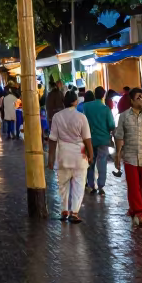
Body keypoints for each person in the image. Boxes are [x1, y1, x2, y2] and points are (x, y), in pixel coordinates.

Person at [114, 87, 142, 227]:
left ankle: (136, 210)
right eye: (139, 97)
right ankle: (139, 212)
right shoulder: (124, 116)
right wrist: (117, 156)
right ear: (132, 100)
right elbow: (119, 137)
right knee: (133, 187)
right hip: (130, 157)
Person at [48, 90, 93, 223]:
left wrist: (50, 159)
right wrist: (91, 154)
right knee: (79, 185)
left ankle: (64, 210)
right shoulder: (81, 117)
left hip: (62, 155)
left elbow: (52, 139)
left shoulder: (57, 116)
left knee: (62, 185)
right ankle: (74, 212)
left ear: (63, 102)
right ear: (75, 102)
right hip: (79, 156)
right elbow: (87, 138)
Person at [82, 87, 114, 195]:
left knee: (90, 162)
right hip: (103, 140)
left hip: (89, 139)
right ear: (103, 96)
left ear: (95, 94)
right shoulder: (106, 109)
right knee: (102, 163)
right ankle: (101, 186)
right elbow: (111, 125)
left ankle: (91, 186)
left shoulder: (86, 107)